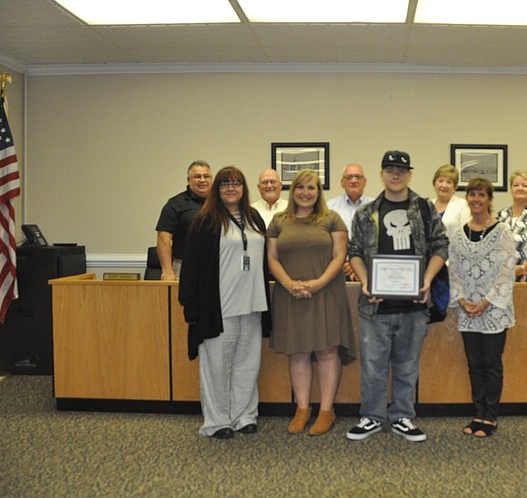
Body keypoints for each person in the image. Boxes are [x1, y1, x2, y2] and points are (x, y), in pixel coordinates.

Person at [346, 150, 448, 443]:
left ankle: (402, 415)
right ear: (381, 174)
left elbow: (441, 246)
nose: (395, 174)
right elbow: (354, 252)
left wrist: (427, 280)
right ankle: (372, 417)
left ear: (409, 174)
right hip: (375, 305)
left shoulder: (425, 208)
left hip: (414, 303)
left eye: (401, 170)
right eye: (390, 169)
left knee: (407, 365)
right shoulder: (367, 213)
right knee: (372, 367)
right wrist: (366, 282)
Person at [178, 166, 270, 439]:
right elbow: (191, 267)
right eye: (225, 184)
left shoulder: (254, 218)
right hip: (218, 308)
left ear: (244, 188)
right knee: (217, 366)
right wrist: (190, 306)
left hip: (253, 304)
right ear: (217, 189)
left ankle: (244, 416)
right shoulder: (204, 221)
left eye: (236, 183)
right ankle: (217, 421)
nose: (231, 188)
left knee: (247, 364)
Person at [267, 169, 355, 436]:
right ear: (293, 191)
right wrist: (289, 284)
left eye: (311, 188)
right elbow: (271, 258)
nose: (305, 193)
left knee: (327, 350)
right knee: (298, 351)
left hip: (326, 292)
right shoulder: (278, 220)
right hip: (289, 294)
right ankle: (303, 409)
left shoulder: (332, 219)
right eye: (300, 188)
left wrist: (317, 284)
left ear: (318, 192)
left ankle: (327, 410)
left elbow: (340, 256)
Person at [448, 177, 516, 438]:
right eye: (472, 195)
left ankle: (491, 416)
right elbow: (453, 269)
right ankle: (478, 413)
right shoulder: (458, 235)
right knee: (474, 364)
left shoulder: (503, 231)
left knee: (491, 363)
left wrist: (487, 301)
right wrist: (463, 300)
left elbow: (506, 271)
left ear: (489, 199)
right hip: (468, 310)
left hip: (494, 311)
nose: (476, 199)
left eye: (481, 195)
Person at [155, 160, 212, 280]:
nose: (202, 180)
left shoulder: (221, 203)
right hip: (183, 266)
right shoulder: (175, 204)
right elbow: (163, 238)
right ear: (188, 180)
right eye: (197, 176)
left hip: (215, 265)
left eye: (206, 176)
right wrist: (167, 271)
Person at [328, 163, 373, 280]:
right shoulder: (329, 207)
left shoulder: (375, 207)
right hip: (336, 270)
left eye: (358, 177)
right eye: (349, 177)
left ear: (365, 181)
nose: (353, 181)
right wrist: (344, 262)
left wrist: (357, 264)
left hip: (369, 269)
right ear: (342, 182)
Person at [431, 164, 470, 239]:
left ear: (454, 187)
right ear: (434, 184)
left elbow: (466, 236)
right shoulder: (428, 204)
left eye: (449, 182)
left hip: (453, 250)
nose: (444, 185)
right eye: (440, 181)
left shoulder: (463, 205)